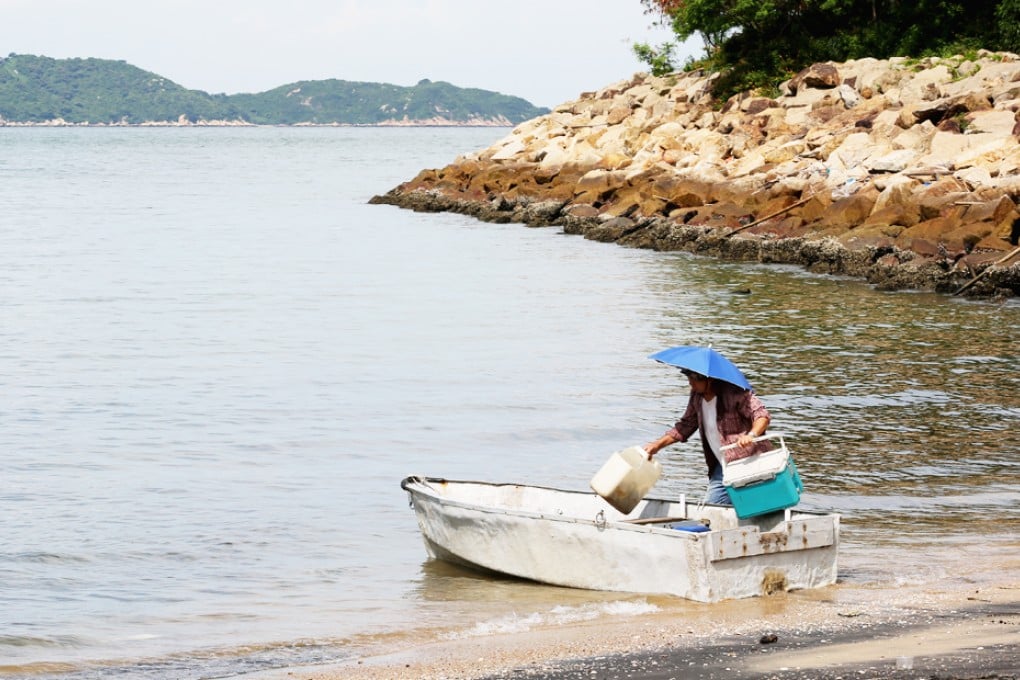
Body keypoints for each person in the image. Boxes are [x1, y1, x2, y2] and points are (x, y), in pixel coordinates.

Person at [644, 368, 771, 505]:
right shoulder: (697, 396)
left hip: (748, 461)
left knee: (758, 505)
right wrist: (657, 445)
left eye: (694, 379)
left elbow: (761, 415)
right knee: (712, 506)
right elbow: (686, 425)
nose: (690, 383)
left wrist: (751, 435)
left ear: (709, 380)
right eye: (689, 378)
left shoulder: (735, 393)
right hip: (722, 464)